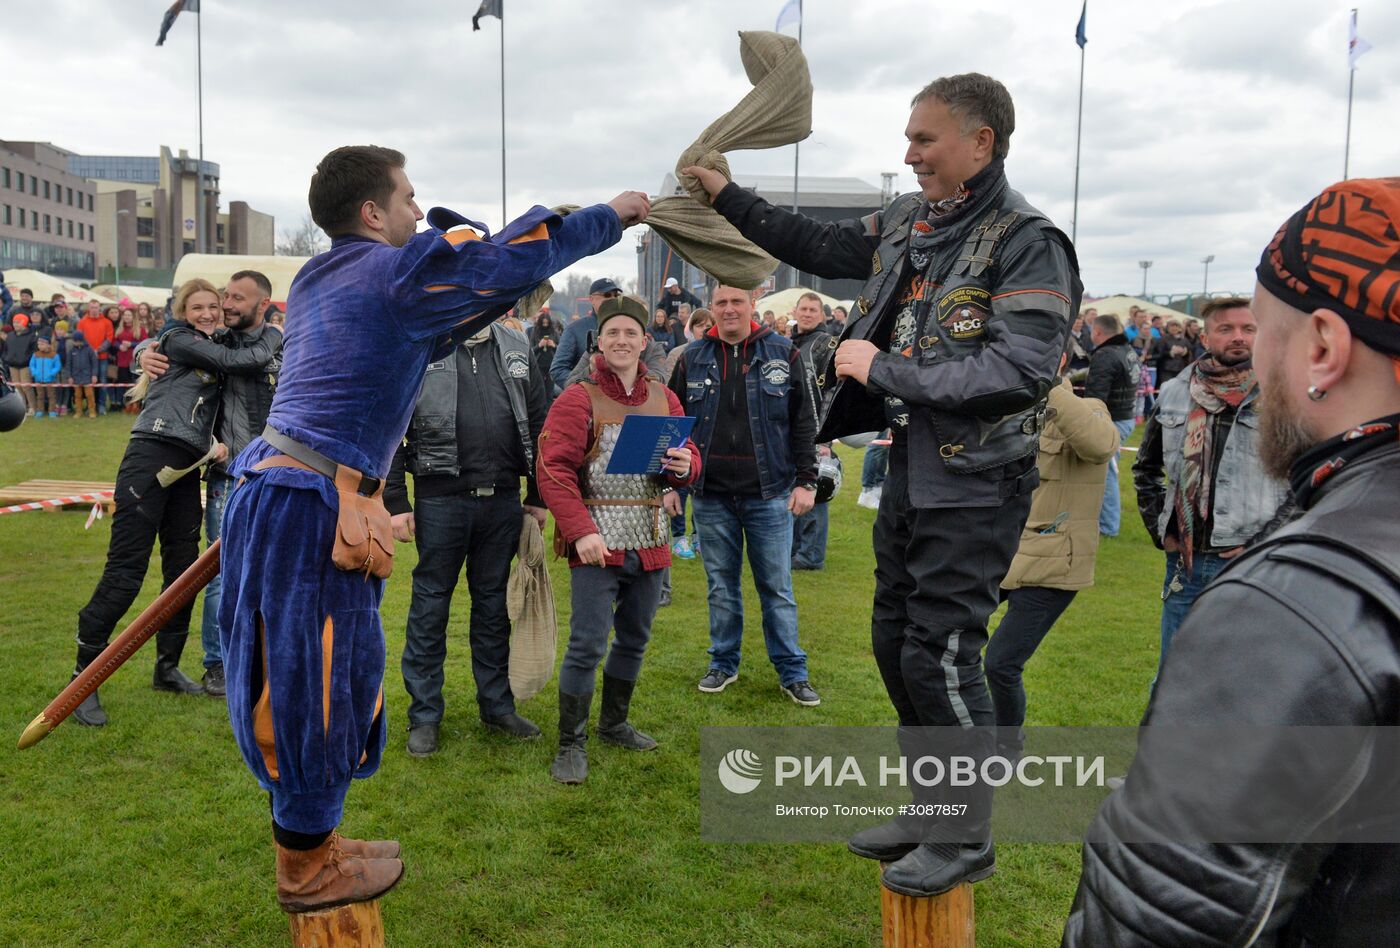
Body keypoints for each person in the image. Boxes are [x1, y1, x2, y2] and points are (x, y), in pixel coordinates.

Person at [216, 144, 645, 913]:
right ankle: (306, 865)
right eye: (410, 200)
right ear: (372, 213)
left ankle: (316, 839)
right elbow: (504, 263)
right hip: (309, 500)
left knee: (324, 672)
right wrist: (611, 216)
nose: (420, 212)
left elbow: (444, 321)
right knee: (315, 682)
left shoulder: (326, 274)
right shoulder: (390, 271)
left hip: (287, 489)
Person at [685, 71, 1079, 895]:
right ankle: (931, 810)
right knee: (895, 646)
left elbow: (1023, 368)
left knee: (941, 652)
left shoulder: (1027, 238)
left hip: (977, 483)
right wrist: (726, 194)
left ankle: (967, 833)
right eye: (909, 137)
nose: (909, 154)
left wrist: (885, 368)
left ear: (982, 142)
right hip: (911, 470)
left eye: (925, 139)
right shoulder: (910, 217)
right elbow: (819, 246)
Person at [1065, 176, 1400, 946]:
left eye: (1270, 334)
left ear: (1322, 346)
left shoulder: (1294, 610)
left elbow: (1160, 923)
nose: (1255, 358)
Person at [68, 278, 282, 728]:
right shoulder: (180, 339)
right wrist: (151, 342)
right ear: (183, 311)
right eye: (198, 306)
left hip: (188, 467)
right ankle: (82, 680)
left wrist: (214, 443)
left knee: (184, 574)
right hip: (151, 456)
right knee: (125, 574)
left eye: (213, 306)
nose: (208, 313)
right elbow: (230, 356)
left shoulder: (207, 339)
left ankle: (166, 669)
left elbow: (229, 355)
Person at [537, 294, 698, 784]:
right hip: (596, 542)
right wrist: (580, 531)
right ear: (599, 343)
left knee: (634, 638)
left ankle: (614, 723)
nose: (622, 341)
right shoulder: (577, 398)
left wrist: (688, 465)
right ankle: (571, 743)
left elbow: (681, 455)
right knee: (588, 644)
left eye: (631, 333)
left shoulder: (663, 396)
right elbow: (552, 469)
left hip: (649, 537)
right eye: (613, 334)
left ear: (644, 342)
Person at [384, 318, 550, 756]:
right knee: (429, 607)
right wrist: (396, 501)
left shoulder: (517, 343)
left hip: (503, 500)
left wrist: (537, 493)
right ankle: (424, 716)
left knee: (494, 606)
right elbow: (390, 425)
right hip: (440, 499)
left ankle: (496, 706)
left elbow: (539, 420)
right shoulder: (422, 339)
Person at [668, 283, 822, 707]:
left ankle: (793, 672)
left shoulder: (782, 351)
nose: (730, 309)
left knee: (777, 588)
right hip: (711, 495)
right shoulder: (691, 358)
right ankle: (723, 663)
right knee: (721, 586)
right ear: (711, 309)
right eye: (721, 302)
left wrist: (807, 480)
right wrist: (671, 486)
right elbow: (673, 424)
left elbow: (804, 421)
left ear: (753, 305)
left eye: (738, 301)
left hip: (769, 493)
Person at [137, 270, 284, 698]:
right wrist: (143, 350)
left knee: (277, 573)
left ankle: (271, 659)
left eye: (237, 298)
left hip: (279, 475)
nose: (227, 304)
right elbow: (170, 338)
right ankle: (217, 664)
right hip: (229, 476)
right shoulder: (215, 344)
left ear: (262, 304)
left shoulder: (288, 346)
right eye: (226, 296)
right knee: (220, 575)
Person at [1132, 296, 1287, 684]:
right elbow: (1145, 468)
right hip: (1187, 564)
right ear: (1205, 336)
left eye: (1248, 329)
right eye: (1226, 329)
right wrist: (1160, 528)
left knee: (1246, 682)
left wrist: (1265, 540)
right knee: (1174, 681)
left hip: (1254, 562)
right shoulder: (1173, 391)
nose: (1238, 337)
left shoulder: (1285, 397)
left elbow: (1309, 481)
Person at [985, 373, 1117, 757]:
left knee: (1001, 663)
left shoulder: (1089, 409)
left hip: (1055, 564)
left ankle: (1007, 747)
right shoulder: (1012, 413)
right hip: (1007, 552)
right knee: (949, 634)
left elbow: (1101, 446)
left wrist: (1051, 387)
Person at [789, 291, 837, 570]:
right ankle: (796, 549)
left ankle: (811, 555)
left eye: (813, 310)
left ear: (822, 315)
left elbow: (832, 391)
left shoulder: (826, 344)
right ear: (795, 312)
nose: (807, 314)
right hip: (792, 431)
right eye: (803, 309)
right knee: (795, 488)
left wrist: (825, 436)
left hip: (816, 431)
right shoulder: (788, 344)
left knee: (816, 493)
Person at [1084, 313, 1141, 537]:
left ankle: (1108, 527)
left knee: (1105, 473)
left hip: (1112, 420)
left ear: (1097, 332)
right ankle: (1103, 522)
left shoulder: (1105, 355)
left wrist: (1089, 424)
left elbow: (1095, 398)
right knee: (1104, 472)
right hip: (1124, 417)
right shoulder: (1127, 351)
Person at [550, 278, 621, 393]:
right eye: (607, 295)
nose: (612, 299)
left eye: (616, 295)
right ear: (591, 299)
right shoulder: (575, 329)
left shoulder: (626, 327)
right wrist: (584, 388)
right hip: (589, 403)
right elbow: (558, 370)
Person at [76, 300, 114, 414]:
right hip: (87, 358)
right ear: (89, 308)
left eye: (96, 307)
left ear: (99, 308)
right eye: (92, 307)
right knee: (89, 384)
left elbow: (109, 339)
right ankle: (90, 406)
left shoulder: (107, 322)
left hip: (102, 357)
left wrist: (98, 350)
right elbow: (80, 339)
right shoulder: (82, 322)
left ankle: (101, 405)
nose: (94, 309)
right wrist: (91, 352)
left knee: (102, 381)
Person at [1, 313, 38, 414]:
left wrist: (27, 360)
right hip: (12, 365)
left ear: (24, 323)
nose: (15, 324)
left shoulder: (31, 336)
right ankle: (22, 407)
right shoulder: (10, 336)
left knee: (26, 387)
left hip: (25, 365)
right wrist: (6, 358)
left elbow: (33, 350)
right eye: (14, 322)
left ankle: (32, 407)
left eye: (18, 322)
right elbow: (5, 349)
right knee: (17, 387)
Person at [66, 328, 98, 418]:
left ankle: (92, 411)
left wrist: (94, 375)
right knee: (77, 395)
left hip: (87, 377)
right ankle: (78, 411)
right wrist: (69, 376)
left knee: (89, 395)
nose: (74, 343)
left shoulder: (89, 350)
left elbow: (94, 363)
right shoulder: (72, 351)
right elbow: (68, 364)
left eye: (76, 341)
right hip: (76, 377)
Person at [1152, 318, 1192, 388]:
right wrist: (1171, 352)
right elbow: (1159, 354)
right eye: (1172, 326)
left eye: (1176, 326)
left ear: (1179, 328)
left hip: (1180, 368)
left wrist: (1184, 352)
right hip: (1166, 369)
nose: (1174, 328)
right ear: (1167, 328)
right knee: (1167, 388)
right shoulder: (1163, 339)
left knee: (1178, 389)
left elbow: (1190, 352)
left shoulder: (1184, 339)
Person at [28, 334, 62, 417]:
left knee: (51, 396)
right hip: (38, 379)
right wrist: (34, 372)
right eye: (38, 344)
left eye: (42, 344)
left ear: (48, 345)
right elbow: (32, 365)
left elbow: (57, 366)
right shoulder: (35, 355)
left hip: (50, 379)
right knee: (40, 396)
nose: (39, 346)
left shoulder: (54, 355)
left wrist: (52, 373)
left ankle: (52, 411)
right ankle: (40, 410)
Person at [529, 310, 559, 385]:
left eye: (547, 323)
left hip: (551, 362)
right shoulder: (535, 332)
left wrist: (553, 345)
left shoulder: (554, 332)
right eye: (543, 323)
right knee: (540, 385)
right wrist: (539, 345)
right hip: (538, 362)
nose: (545, 325)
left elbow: (561, 349)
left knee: (550, 386)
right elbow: (530, 350)